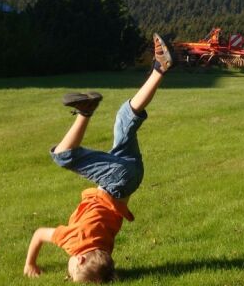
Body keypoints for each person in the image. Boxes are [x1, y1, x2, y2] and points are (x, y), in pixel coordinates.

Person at [23, 34, 174, 282]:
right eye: (72, 272)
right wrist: (30, 263)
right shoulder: (72, 242)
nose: (69, 271)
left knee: (126, 119)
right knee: (63, 156)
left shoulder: (105, 246)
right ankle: (85, 111)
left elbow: (102, 265)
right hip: (117, 180)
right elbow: (39, 234)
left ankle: (159, 69)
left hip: (132, 178)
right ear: (80, 258)